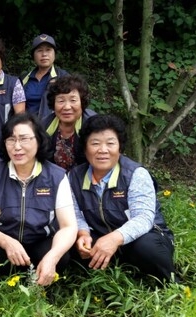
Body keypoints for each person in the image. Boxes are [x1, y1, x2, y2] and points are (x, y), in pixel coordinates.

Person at [68, 114, 177, 282]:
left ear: (120, 147)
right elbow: (75, 213)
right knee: (67, 242)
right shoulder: (74, 176)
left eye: (110, 143)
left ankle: (169, 282)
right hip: (100, 235)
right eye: (95, 143)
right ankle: (103, 275)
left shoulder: (135, 174)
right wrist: (83, 233)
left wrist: (114, 238)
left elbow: (144, 218)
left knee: (146, 247)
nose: (103, 150)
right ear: (85, 148)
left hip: (141, 238)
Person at [0, 113, 78, 286]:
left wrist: (52, 258)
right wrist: (5, 241)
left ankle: (44, 284)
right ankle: (5, 287)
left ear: (38, 140)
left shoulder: (56, 176)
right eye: (11, 140)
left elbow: (69, 226)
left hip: (40, 240)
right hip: (5, 240)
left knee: (60, 257)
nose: (17, 147)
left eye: (24, 139)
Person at [43, 74, 97, 171]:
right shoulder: (44, 125)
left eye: (73, 100)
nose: (67, 107)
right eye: (61, 101)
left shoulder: (94, 125)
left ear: (82, 102)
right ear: (53, 104)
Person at [21, 33, 69, 119]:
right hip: (28, 127)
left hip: (52, 127)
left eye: (48, 50)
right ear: (33, 56)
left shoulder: (63, 77)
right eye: (39, 50)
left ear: (54, 54)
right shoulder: (24, 79)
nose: (44, 54)